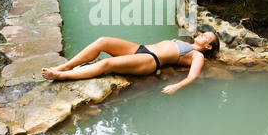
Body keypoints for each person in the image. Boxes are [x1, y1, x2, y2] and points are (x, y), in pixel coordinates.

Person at [41, 32, 220, 95]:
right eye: (204, 33)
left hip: (150, 60)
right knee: (102, 41)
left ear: (208, 46)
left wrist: (177, 86)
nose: (202, 34)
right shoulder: (186, 43)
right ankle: (66, 66)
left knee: (107, 64)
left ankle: (61, 75)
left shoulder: (198, 55)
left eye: (206, 36)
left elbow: (193, 75)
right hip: (140, 48)